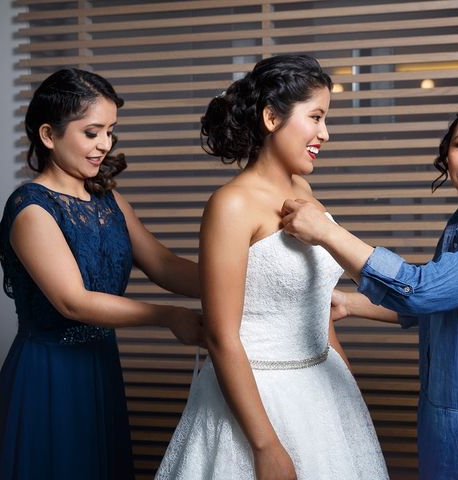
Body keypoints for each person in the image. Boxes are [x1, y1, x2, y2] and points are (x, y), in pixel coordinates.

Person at [281, 91, 458, 479]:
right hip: (447, 428)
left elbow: (422, 290)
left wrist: (327, 232)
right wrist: (349, 303)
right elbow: (441, 304)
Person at [155, 55, 388, 480]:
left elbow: (314, 304)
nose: (325, 133)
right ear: (271, 117)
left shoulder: (304, 189)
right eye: (316, 117)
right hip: (261, 397)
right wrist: (265, 446)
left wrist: (346, 384)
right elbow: (222, 336)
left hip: (322, 387)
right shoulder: (232, 205)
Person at [0, 68, 203, 480]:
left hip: (100, 365)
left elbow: (164, 265)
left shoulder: (107, 197)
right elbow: (74, 301)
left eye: (110, 132)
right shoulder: (31, 208)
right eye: (92, 133)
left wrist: (239, 282)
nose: (104, 145)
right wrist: (170, 317)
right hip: (48, 374)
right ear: (49, 135)